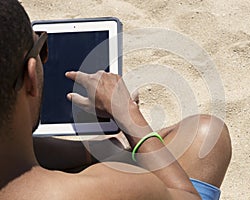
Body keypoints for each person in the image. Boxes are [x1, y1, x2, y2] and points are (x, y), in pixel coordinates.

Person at [0, 0, 231, 199]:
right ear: (30, 77)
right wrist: (128, 115)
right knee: (208, 135)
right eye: (42, 49)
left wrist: (96, 150)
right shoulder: (114, 188)